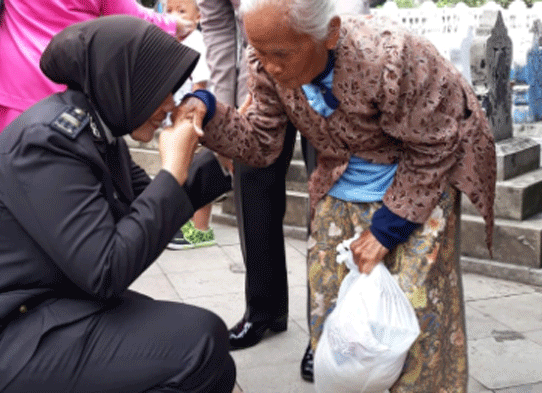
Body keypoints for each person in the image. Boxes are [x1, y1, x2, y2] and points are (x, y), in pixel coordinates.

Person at [175, 0, 497, 390]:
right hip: (343, 173)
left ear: (328, 33)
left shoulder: (392, 56)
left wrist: (386, 229)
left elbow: (434, 146)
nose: (270, 66)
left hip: (421, 176)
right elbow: (261, 142)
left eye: (281, 54)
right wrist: (209, 111)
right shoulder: (266, 64)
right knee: (334, 308)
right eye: (259, 52)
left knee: (415, 314)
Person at [0, 16, 236, 393]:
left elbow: (155, 203)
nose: (169, 104)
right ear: (124, 84)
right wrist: (172, 169)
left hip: (48, 307)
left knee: (217, 366)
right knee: (200, 343)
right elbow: (106, 271)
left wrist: (224, 158)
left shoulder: (96, 131)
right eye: (160, 89)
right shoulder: (46, 145)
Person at [196, 0, 315, 380]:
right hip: (258, 79)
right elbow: (215, 24)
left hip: (322, 70)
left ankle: (328, 326)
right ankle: (263, 309)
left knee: (330, 199)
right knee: (252, 191)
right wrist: (226, 110)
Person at [0, 0, 196, 141]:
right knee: (68, 171)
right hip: (72, 80)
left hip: (14, 81)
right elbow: (129, 18)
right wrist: (174, 26)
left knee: (8, 167)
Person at [165, 0, 224, 249]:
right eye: (169, 11)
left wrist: (192, 118)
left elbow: (200, 84)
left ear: (199, 17)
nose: (175, 16)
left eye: (182, 11)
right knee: (183, 169)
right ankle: (188, 223)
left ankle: (201, 229)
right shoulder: (173, 42)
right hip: (175, 118)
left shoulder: (197, 42)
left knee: (198, 170)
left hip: (193, 119)